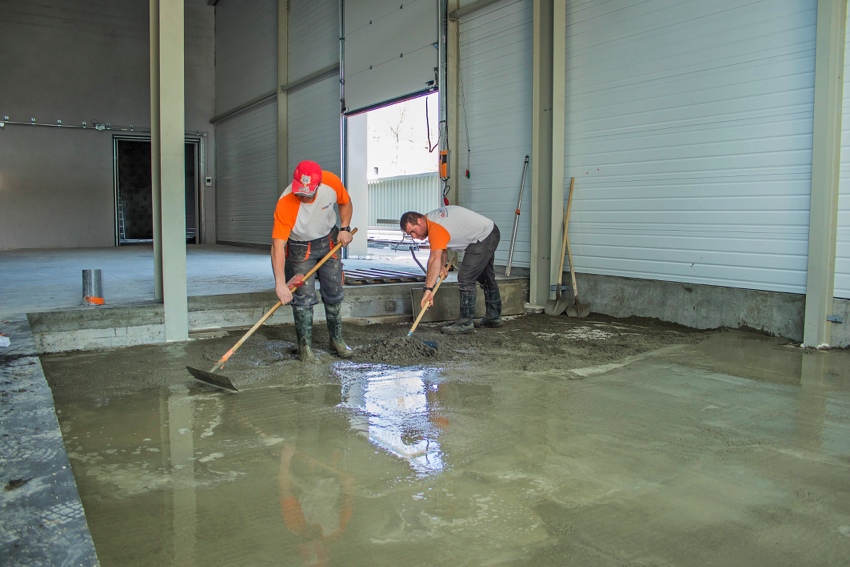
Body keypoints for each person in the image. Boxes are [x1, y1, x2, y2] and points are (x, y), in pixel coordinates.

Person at [271, 160, 354, 361]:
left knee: (334, 291)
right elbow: (278, 246)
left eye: (308, 192)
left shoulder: (331, 183)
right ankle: (305, 349)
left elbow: (346, 202)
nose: (303, 196)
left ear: (318, 184)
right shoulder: (286, 202)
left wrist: (345, 228)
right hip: (300, 247)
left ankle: (336, 340)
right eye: (300, 191)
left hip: (329, 239)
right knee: (303, 297)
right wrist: (280, 284)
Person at [400, 206, 502, 334]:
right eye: (411, 234)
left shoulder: (435, 227)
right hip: (488, 232)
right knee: (485, 277)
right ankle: (494, 318)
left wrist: (428, 290)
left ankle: (465, 323)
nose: (414, 237)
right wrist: (442, 266)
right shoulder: (431, 221)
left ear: (420, 221)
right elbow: (442, 249)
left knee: (465, 278)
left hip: (484, 236)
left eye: (413, 231)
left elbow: (434, 259)